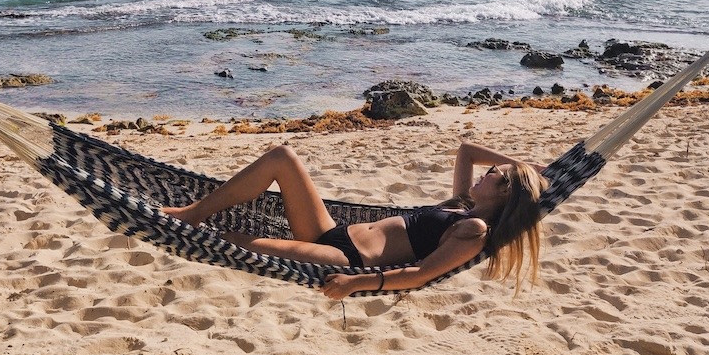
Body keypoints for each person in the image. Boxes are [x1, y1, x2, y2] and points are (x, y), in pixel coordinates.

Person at [163, 141, 548, 300]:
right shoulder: (461, 206)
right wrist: (526, 167)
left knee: (233, 242)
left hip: (346, 260)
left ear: (503, 194)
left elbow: (420, 273)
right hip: (330, 231)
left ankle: (191, 224)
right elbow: (465, 152)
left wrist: (357, 283)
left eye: (495, 175)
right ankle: (191, 214)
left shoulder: (474, 231)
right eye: (493, 169)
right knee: (283, 156)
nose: (488, 172)